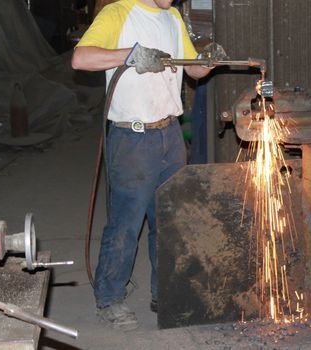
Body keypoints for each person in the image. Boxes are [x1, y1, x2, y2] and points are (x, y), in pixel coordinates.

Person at [71, 0, 212, 331]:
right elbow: (81, 58)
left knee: (169, 221)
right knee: (126, 224)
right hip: (133, 138)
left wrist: (207, 62)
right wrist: (129, 55)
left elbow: (192, 69)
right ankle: (109, 299)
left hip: (171, 134)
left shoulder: (173, 17)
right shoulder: (118, 13)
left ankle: (164, 293)